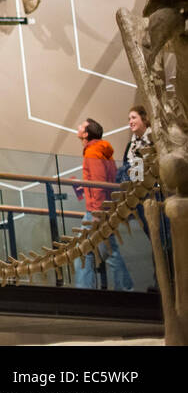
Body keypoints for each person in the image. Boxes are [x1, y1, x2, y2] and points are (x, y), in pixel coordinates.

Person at [71, 119, 133, 291]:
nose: (78, 127)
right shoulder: (101, 151)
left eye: (81, 126)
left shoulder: (92, 152)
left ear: (86, 133)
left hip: (96, 211)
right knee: (101, 251)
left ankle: (89, 292)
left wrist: (97, 212)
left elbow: (99, 183)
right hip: (102, 209)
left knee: (84, 251)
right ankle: (125, 289)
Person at [119, 106, 173, 286]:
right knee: (154, 238)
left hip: (158, 196)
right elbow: (127, 172)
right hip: (140, 199)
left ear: (144, 119)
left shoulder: (154, 141)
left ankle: (167, 281)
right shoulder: (131, 145)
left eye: (133, 117)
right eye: (129, 118)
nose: (130, 122)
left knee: (165, 239)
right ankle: (161, 281)